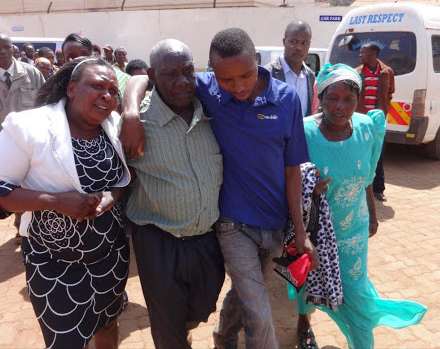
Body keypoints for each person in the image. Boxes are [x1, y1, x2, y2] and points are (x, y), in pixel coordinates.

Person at [121, 28, 318, 349]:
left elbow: (292, 168)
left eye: (246, 75)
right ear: (212, 73)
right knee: (258, 309)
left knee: (242, 296)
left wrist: (299, 229)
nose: (238, 86)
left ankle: (224, 339)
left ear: (257, 61)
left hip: (273, 223)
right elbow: (141, 78)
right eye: (227, 80)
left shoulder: (286, 100)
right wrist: (130, 112)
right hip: (230, 225)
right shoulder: (207, 89)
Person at [0, 57, 131, 349]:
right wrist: (54, 201)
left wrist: (112, 196)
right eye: (97, 86)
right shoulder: (28, 126)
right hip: (55, 263)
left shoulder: (115, 125)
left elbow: (126, 177)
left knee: (108, 324)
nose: (107, 96)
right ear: (71, 89)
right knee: (65, 341)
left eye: (113, 90)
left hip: (111, 256)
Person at [293, 63, 426, 349]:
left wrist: (373, 214)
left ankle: (361, 343)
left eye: (349, 99)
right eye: (332, 98)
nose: (340, 106)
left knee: (355, 294)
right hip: (315, 233)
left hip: (354, 231)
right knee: (308, 282)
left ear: (358, 100)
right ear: (320, 98)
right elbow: (287, 178)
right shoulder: (304, 132)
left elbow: (367, 175)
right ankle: (304, 323)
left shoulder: (366, 128)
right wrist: (308, 187)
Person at [126, 40, 225, 348]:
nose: (182, 81)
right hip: (158, 240)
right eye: (170, 74)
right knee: (168, 327)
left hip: (207, 239)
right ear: (154, 77)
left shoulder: (212, 110)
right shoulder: (137, 122)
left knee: (201, 308)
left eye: (186, 71)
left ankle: (185, 328)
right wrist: (129, 112)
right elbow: (135, 78)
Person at [0, 32, 45, 244]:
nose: (3, 51)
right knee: (13, 188)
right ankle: (22, 225)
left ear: (13, 48)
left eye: (7, 46)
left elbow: (46, 107)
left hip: (34, 144)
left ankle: (31, 226)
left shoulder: (32, 74)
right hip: (2, 148)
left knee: (35, 185)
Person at [356, 43, 394, 202]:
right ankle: (359, 188)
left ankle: (378, 189)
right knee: (359, 155)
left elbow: (390, 93)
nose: (360, 55)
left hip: (377, 123)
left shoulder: (387, 72)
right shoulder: (357, 72)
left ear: (373, 54)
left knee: (377, 155)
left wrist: (384, 111)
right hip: (361, 121)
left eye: (363, 52)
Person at [62, 34, 130, 110]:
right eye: (72, 57)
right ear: (64, 61)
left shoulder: (107, 78)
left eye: (84, 56)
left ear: (92, 56)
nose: (79, 60)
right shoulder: (58, 95)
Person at [265, 20, 318, 117]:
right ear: (284, 42)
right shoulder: (268, 74)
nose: (299, 47)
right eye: (294, 42)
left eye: (304, 43)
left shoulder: (310, 77)